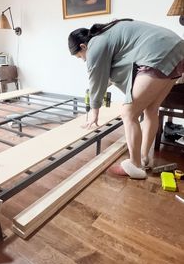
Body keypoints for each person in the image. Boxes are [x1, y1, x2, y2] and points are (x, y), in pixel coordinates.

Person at [68, 19, 184, 179]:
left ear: (83, 46)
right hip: (177, 49)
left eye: (81, 56)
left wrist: (94, 113)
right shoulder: (108, 34)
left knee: (128, 113)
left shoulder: (95, 44)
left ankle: (134, 165)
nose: (84, 60)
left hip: (158, 52)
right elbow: (118, 69)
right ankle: (144, 158)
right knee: (151, 109)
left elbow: (95, 80)